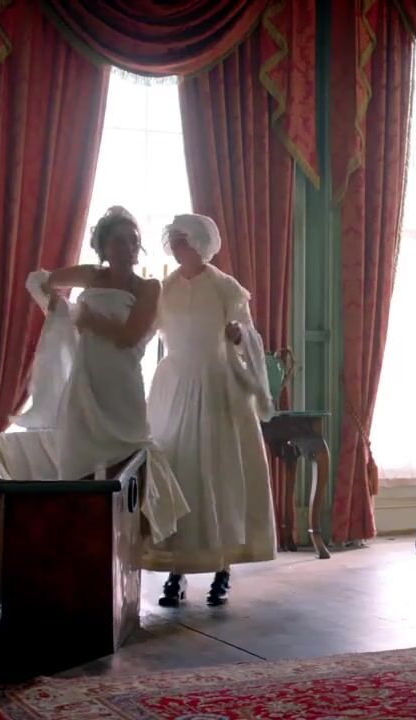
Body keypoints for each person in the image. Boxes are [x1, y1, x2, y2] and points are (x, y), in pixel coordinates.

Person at [0, 206, 188, 547]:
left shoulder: (148, 287)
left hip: (123, 388)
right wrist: (59, 311)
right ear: (104, 246)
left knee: (129, 464)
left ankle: (124, 550)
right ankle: (81, 543)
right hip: (84, 383)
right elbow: (39, 280)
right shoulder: (91, 276)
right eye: (120, 241)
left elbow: (130, 336)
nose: (128, 248)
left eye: (133, 241)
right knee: (79, 465)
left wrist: (90, 321)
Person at [143, 213, 277, 607]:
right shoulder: (165, 288)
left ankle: (223, 568)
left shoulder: (224, 287)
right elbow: (143, 331)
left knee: (219, 474)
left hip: (216, 388)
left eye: (183, 240)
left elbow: (249, 335)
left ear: (200, 243)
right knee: (177, 472)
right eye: (173, 240)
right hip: (175, 386)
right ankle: (177, 569)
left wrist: (238, 336)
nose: (176, 246)